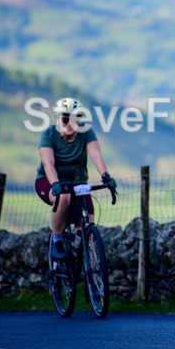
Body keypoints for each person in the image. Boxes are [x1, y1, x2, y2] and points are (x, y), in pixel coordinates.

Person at [35, 97, 116, 262]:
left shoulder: (86, 133)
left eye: (76, 118)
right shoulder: (48, 135)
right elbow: (48, 163)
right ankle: (56, 239)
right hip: (49, 182)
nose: (70, 123)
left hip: (77, 183)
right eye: (66, 118)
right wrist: (55, 184)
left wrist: (105, 176)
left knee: (89, 220)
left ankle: (83, 260)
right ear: (58, 118)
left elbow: (95, 154)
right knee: (64, 197)